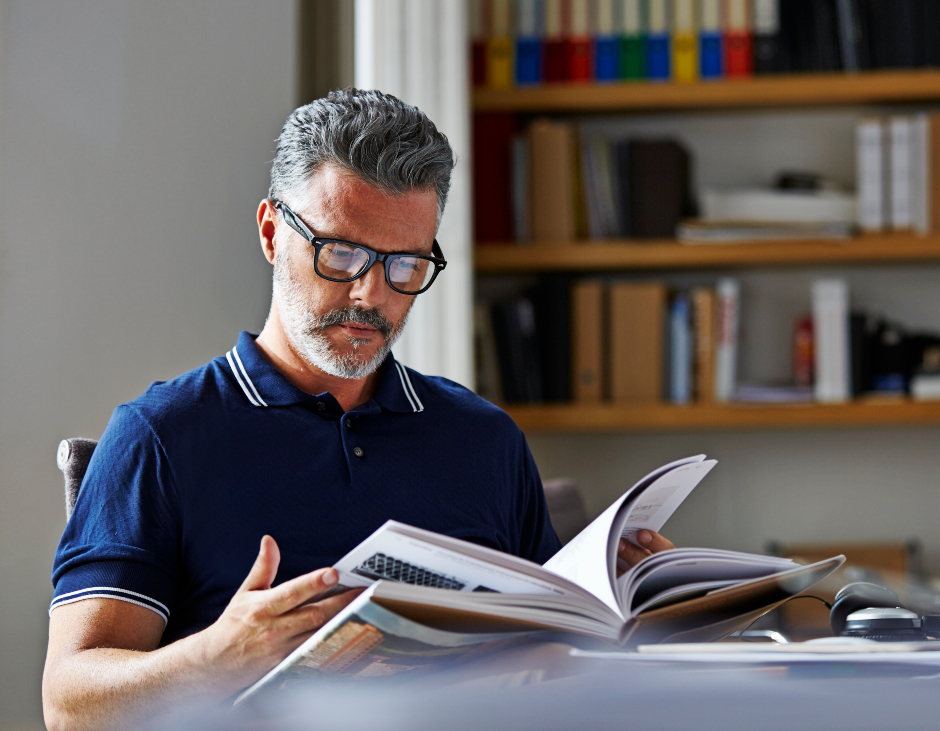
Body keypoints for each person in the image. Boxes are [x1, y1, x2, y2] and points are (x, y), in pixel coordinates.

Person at [42, 89, 674, 731]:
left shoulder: (485, 440)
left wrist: (624, 613)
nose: (372, 294)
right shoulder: (160, 436)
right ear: (269, 233)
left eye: (405, 264)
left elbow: (556, 672)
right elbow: (67, 707)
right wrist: (215, 659)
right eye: (341, 253)